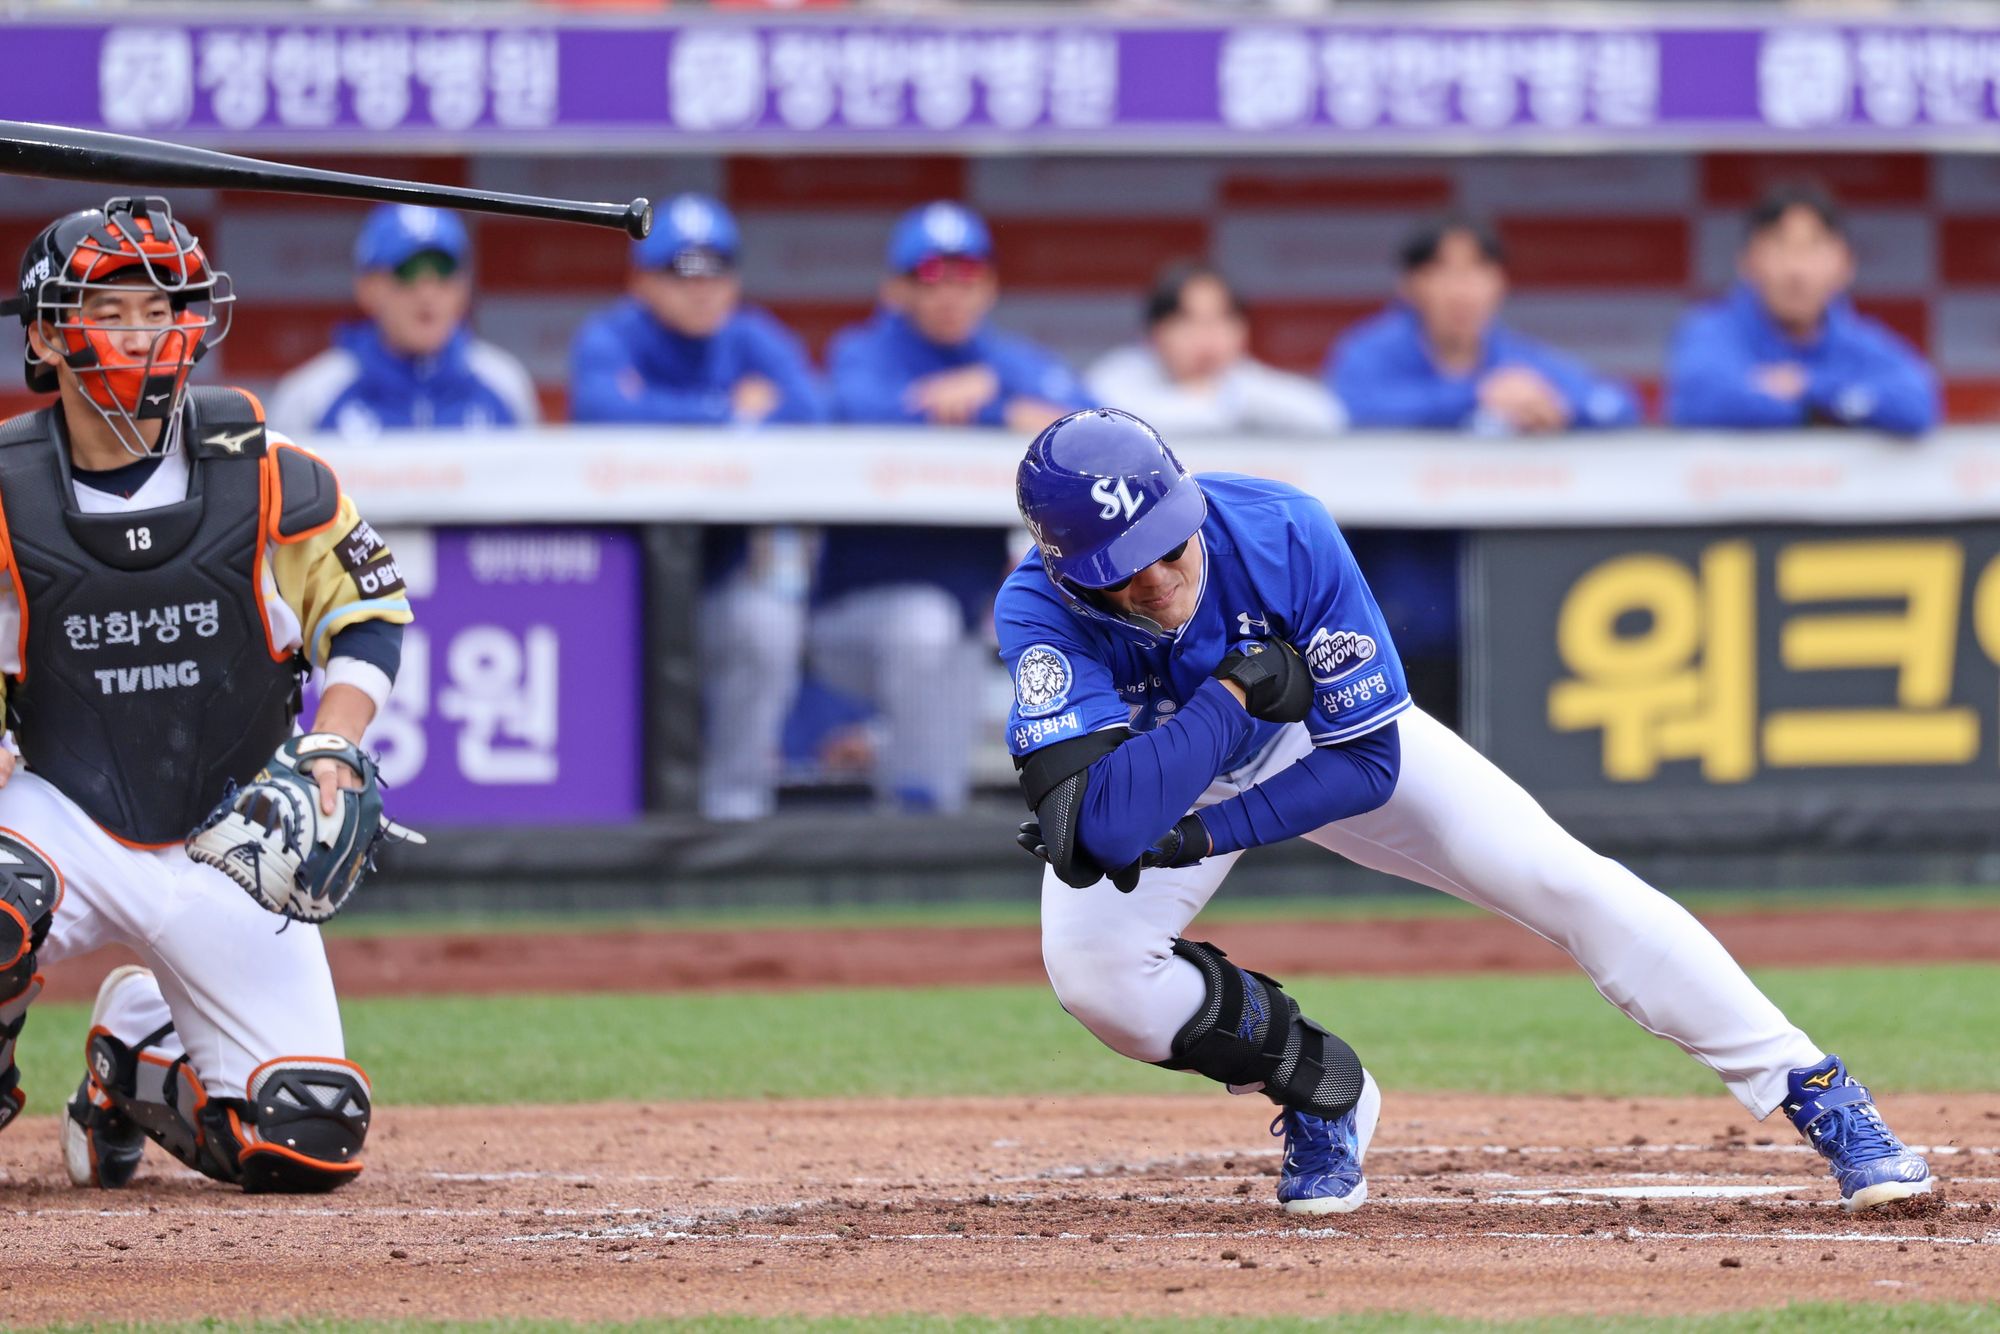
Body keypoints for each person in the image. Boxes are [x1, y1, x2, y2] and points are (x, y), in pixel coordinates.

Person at [998, 407, 1933, 1216]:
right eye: (1124, 568)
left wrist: (1204, 833)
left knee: (1562, 878)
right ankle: (1320, 1086)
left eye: (1170, 543)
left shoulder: (1281, 529)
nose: (1159, 577)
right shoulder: (1038, 609)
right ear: (1060, 564)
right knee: (1097, 977)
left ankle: (1813, 1085)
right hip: (1176, 770)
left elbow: (1367, 765)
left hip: (1309, 744)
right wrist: (1234, 695)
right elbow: (1101, 832)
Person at [0, 197, 414, 1192]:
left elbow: (365, 613)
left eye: (162, 309)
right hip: (59, 818)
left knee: (309, 1134)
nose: (143, 333)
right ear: (47, 336)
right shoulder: (5, 489)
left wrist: (332, 741)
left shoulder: (273, 472)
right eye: (113, 311)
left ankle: (133, 1057)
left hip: (231, 840)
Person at [1328, 214, 1639, 434]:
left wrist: (1558, 407)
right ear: (1410, 285)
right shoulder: (1369, 351)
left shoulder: (1516, 357)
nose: (1462, 291)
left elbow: (1617, 406)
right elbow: (1356, 410)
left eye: (1477, 272)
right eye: (1444, 273)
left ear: (1500, 283)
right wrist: (1477, 396)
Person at [1667, 184, 1938, 435]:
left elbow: (1917, 406)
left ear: (1844, 263)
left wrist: (1809, 387)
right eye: (1780, 247)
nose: (1796, 270)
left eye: (1812, 248)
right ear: (1748, 262)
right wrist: (1826, 412)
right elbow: (1695, 404)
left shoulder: (1857, 340)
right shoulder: (1711, 333)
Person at [267, 203, 538, 437]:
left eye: (443, 271)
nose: (427, 293)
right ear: (367, 288)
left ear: (463, 287)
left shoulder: (505, 384)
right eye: (408, 272)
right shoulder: (312, 396)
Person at [568, 192, 824, 427]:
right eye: (681, 272)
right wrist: (729, 409)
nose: (702, 292)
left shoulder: (752, 335)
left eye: (716, 270)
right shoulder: (613, 337)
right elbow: (601, 410)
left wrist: (649, 402)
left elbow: (808, 411)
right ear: (641, 282)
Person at [1088, 261, 1343, 436]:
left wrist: (1230, 397)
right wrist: (1213, 401)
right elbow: (1101, 422)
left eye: (1220, 320)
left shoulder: (1244, 381)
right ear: (1156, 332)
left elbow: (1327, 417)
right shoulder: (1122, 372)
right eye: (1189, 321)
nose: (1206, 337)